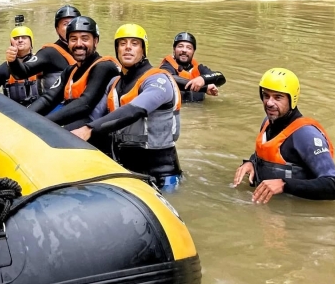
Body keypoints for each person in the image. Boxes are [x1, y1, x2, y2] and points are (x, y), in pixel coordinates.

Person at [72, 24, 182, 191]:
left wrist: (88, 129)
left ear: (143, 50)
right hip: (127, 169)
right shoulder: (114, 83)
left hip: (162, 173)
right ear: (117, 49)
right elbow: (93, 118)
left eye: (134, 43)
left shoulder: (158, 81)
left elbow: (135, 110)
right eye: (122, 43)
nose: (128, 48)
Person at [233, 68, 335, 203]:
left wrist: (285, 184)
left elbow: (334, 186)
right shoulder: (268, 122)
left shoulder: (305, 134)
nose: (269, 102)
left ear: (292, 99)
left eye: (278, 97)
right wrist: (251, 163)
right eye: (266, 95)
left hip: (298, 216)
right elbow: (264, 154)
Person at [29, 16, 119, 127]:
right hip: (76, 125)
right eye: (73, 39)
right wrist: (24, 116)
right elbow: (48, 99)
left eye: (85, 39)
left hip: (97, 133)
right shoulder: (70, 71)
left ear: (95, 41)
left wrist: (43, 123)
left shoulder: (104, 67)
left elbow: (85, 104)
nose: (78, 44)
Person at [5, 5, 80, 93]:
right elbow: (21, 72)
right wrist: (13, 60)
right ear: (57, 30)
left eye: (74, 23)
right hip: (59, 105)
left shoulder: (87, 51)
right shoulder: (48, 53)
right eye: (66, 24)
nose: (71, 27)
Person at [160, 32, 226, 102]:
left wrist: (203, 79)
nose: (184, 50)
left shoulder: (199, 69)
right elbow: (170, 79)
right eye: (180, 46)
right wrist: (204, 88)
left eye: (189, 48)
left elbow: (220, 77)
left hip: (199, 109)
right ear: (174, 49)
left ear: (193, 51)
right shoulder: (166, 67)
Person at [0, 25, 39, 104]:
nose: (20, 40)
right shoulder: (4, 68)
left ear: (31, 42)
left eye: (24, 37)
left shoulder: (40, 63)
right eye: (16, 38)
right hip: (14, 113)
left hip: (39, 111)